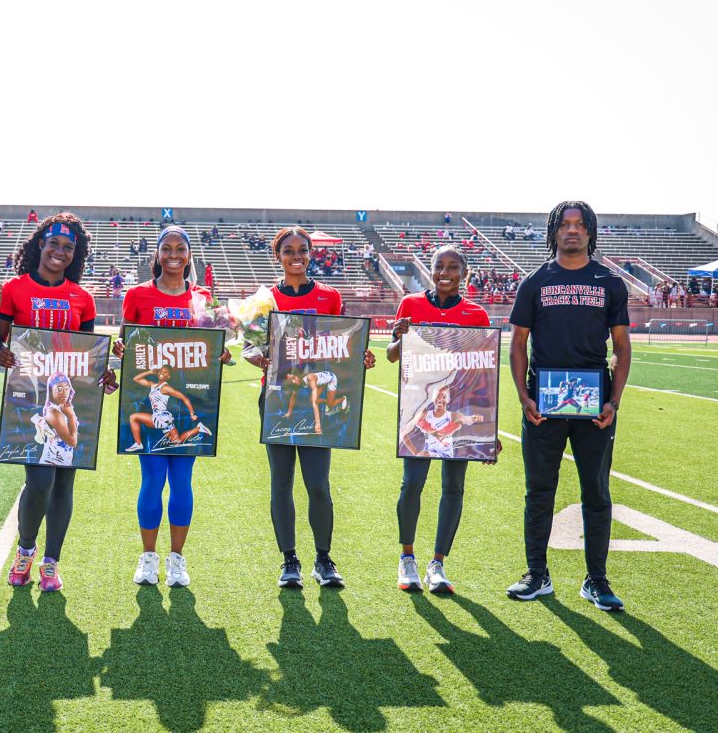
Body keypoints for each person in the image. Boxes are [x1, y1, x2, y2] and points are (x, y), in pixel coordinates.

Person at [505, 202, 631, 612]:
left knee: (596, 492)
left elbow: (622, 346)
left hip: (595, 406)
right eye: (565, 224)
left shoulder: (609, 282)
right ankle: (536, 574)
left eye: (579, 225)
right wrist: (524, 396)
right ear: (554, 232)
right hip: (543, 402)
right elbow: (518, 343)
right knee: (538, 491)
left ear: (591, 231)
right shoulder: (536, 281)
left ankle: (596, 579)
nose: (572, 231)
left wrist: (614, 399)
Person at [243, 227, 375, 590]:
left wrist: (359, 355)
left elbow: (344, 343)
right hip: (278, 401)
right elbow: (250, 349)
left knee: (318, 484)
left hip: (319, 401)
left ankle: (323, 559)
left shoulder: (329, 297)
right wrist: (261, 357)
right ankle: (289, 561)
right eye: (288, 250)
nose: (296, 256)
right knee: (281, 483)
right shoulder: (264, 300)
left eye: (302, 250)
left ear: (311, 253)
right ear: (278, 256)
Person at [113, 225, 231, 589]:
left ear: (190, 255)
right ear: (158, 254)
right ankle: (148, 557)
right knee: (152, 479)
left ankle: (176, 559)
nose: (174, 254)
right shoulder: (137, 295)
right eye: (167, 248)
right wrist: (120, 350)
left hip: (193, 398)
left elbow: (214, 346)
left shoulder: (204, 296)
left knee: (182, 480)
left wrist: (222, 354)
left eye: (181, 248)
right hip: (151, 399)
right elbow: (126, 341)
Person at [0, 214, 99, 592]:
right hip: (27, 399)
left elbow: (87, 355)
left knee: (63, 485)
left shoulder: (82, 298)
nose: (60, 251)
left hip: (69, 396)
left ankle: (51, 563)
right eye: (54, 243)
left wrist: (103, 373)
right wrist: (0, 352)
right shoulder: (14, 289)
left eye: (69, 247)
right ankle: (25, 550)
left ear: (76, 254)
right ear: (40, 244)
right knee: (38, 482)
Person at [387, 244, 498, 593]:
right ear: (430, 270)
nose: (445, 273)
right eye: (439, 267)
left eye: (453, 267)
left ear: (464, 274)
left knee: (453, 487)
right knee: (412, 483)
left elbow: (484, 374)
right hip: (419, 409)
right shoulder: (411, 305)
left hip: (456, 409)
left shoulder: (476, 314)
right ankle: (407, 559)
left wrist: (487, 430)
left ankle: (438, 564)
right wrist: (401, 335)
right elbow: (392, 356)